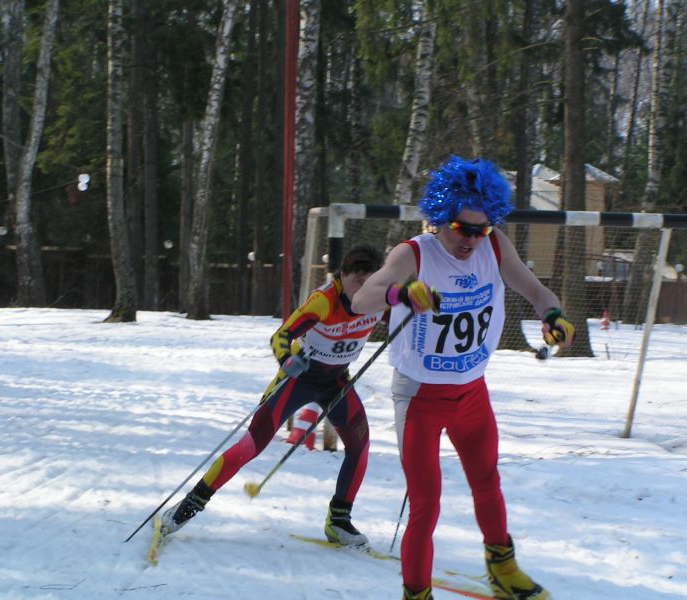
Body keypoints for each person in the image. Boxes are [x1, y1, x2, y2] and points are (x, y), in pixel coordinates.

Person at [351, 155, 575, 600]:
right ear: (440, 219)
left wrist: (551, 314)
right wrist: (400, 292)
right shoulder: (413, 253)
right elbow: (362, 299)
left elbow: (534, 288)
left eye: (482, 227)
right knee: (426, 506)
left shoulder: (494, 248)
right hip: (420, 398)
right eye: (462, 228)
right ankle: (416, 594)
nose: (472, 238)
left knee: (488, 482)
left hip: (472, 392)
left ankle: (503, 570)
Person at [162, 244, 386, 547]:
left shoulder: (381, 297)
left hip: (336, 382)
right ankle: (188, 506)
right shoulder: (324, 301)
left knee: (359, 446)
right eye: (357, 281)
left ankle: (339, 522)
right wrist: (286, 360)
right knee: (249, 446)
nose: (363, 290)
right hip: (299, 378)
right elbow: (281, 335)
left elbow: (413, 302)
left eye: (370, 282)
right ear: (342, 276)